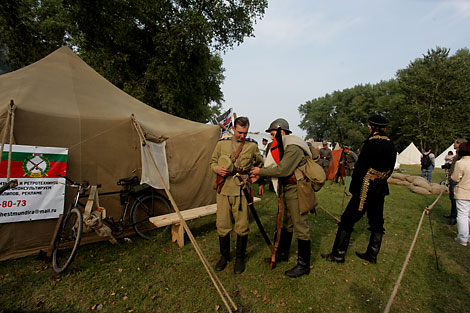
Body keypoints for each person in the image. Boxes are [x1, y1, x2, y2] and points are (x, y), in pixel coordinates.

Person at [321, 115, 396, 264]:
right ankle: (372, 254)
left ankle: (338, 254)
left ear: (372, 128)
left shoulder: (371, 143)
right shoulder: (391, 144)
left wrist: (353, 188)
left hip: (365, 188)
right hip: (380, 188)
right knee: (376, 221)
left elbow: (361, 168)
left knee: (347, 219)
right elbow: (390, 169)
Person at [251, 118, 313, 278]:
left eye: (273, 135)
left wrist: (260, 172)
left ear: (281, 133)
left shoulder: (294, 147)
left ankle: (303, 264)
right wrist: (261, 177)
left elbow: (282, 170)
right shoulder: (284, 146)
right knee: (286, 223)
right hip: (286, 188)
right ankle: (283, 254)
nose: (272, 139)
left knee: (300, 225)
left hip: (297, 189)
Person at [210, 116, 264, 274]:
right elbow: (212, 162)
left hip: (241, 190)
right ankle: (224, 256)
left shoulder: (252, 146)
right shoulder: (222, 143)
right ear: (233, 128)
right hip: (224, 190)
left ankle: (240, 258)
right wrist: (217, 169)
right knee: (223, 224)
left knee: (242, 225)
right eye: (240, 132)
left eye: (245, 132)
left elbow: (260, 164)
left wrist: (258, 175)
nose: (242, 136)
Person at [451, 141, 470, 246]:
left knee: (463, 215)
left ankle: (463, 237)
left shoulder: (461, 163)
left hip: (464, 192)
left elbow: (455, 177)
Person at [446, 139, 468, 225]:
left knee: (456, 199)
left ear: (459, 144)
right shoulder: (458, 153)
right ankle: (453, 214)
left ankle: (454, 217)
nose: (454, 145)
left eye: (455, 143)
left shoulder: (462, 154)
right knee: (452, 198)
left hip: (457, 179)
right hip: (454, 177)